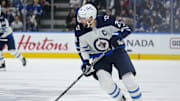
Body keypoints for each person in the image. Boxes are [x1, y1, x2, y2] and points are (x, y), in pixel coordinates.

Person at [74, 4, 143, 101]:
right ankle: (120, 99)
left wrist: (116, 36)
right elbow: (82, 49)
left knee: (128, 79)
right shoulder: (79, 30)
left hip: (116, 52)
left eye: (83, 18)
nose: (80, 21)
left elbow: (126, 29)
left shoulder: (106, 20)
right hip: (99, 57)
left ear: (91, 18)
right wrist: (86, 62)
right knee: (105, 82)